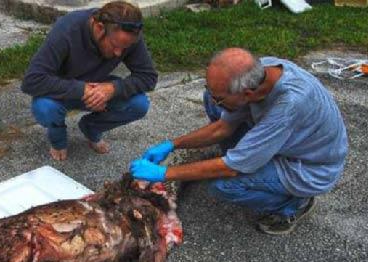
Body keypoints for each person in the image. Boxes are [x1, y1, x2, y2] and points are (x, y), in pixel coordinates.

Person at [130, 48, 348, 235]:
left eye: (220, 96)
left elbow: (232, 168)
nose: (215, 100)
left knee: (225, 185)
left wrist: (164, 174)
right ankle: (250, 154)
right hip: (286, 139)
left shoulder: (288, 104)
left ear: (248, 93)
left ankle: (295, 203)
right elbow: (223, 127)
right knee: (216, 104)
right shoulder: (264, 69)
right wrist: (172, 144)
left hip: (309, 166)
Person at [21, 1, 157, 161]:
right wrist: (83, 90)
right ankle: (58, 138)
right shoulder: (67, 29)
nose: (119, 53)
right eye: (115, 45)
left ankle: (91, 127)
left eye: (125, 48)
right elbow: (32, 80)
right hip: (61, 91)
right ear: (99, 28)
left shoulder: (128, 35)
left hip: (98, 85)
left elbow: (148, 77)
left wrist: (112, 89)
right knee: (45, 108)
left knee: (139, 105)